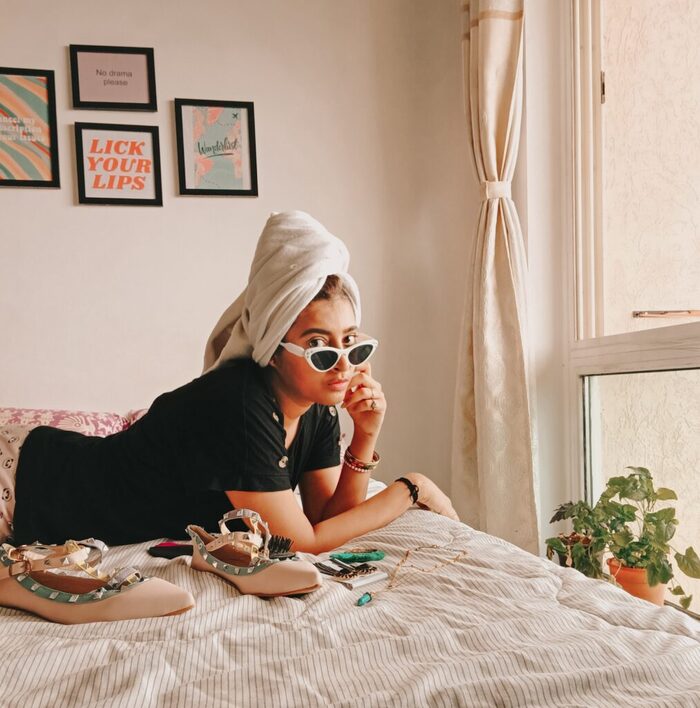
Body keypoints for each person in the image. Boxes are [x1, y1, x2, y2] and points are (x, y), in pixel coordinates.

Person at [3, 211, 458, 553]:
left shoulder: (316, 404)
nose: (342, 366)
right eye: (321, 348)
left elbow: (325, 518)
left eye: (353, 345)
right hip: (23, 484)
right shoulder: (240, 404)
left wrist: (366, 436)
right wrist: (410, 489)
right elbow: (302, 542)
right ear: (274, 350)